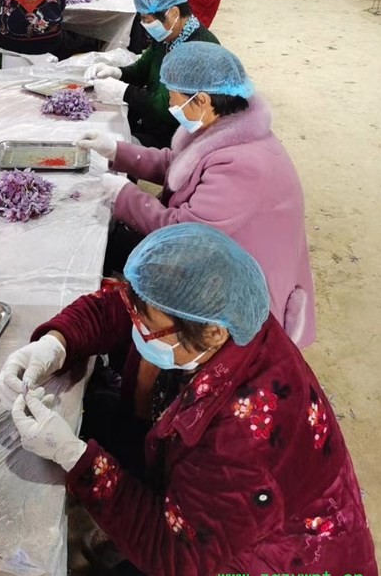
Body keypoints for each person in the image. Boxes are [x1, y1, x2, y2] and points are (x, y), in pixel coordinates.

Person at [0, 225, 378, 576]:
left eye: (147, 328)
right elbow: (119, 309)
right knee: (101, 414)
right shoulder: (210, 315)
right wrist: (55, 344)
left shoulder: (242, 437)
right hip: (217, 497)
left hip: (277, 573)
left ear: (212, 333)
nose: (136, 327)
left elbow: (176, 556)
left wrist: (74, 456)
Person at [79, 41, 316, 347]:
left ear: (201, 99)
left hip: (242, 281)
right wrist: (116, 151)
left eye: (173, 97)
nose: (170, 105)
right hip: (218, 250)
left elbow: (186, 231)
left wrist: (124, 194)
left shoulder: (243, 165)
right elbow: (178, 165)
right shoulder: (223, 126)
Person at [87, 0, 219, 148]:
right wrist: (117, 72)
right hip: (152, 122)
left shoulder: (197, 51)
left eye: (147, 21)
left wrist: (124, 91)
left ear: (174, 13)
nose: (144, 25)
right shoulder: (168, 35)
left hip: (176, 137)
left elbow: (168, 108)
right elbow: (142, 69)